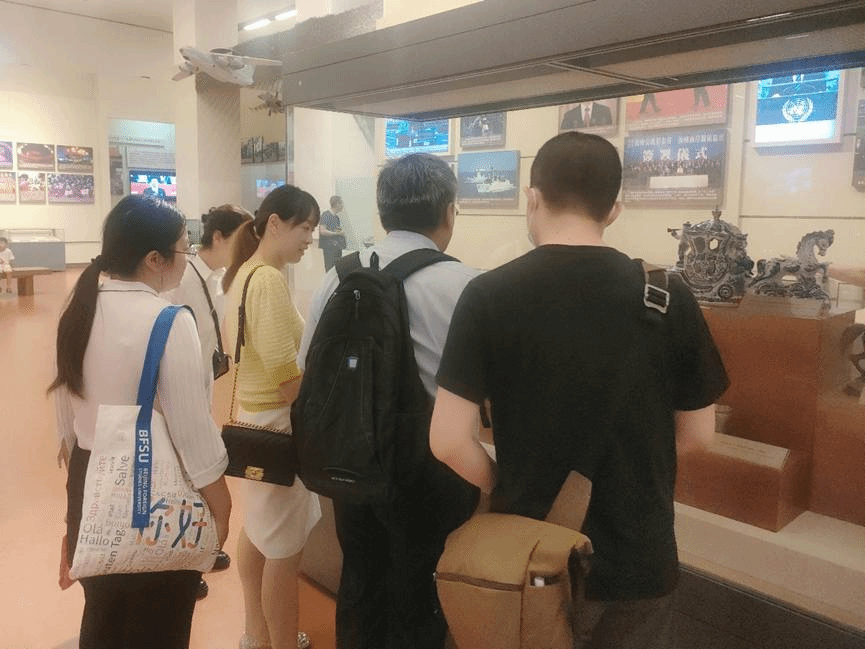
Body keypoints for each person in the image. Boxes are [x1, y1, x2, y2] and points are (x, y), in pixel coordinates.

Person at [430, 132, 730, 649]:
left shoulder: (488, 294)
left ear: (533, 198)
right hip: (639, 554)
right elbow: (699, 435)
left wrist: (505, 484)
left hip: (529, 552)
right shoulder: (666, 295)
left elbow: (447, 440)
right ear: (613, 209)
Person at [297, 153, 481, 649]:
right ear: (448, 212)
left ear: (382, 213)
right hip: (428, 467)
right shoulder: (466, 285)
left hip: (350, 459)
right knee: (419, 590)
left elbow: (307, 366)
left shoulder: (338, 277)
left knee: (358, 578)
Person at [50, 194, 232, 649]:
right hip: (153, 488)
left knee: (103, 615)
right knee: (160, 621)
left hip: (89, 480)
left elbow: (66, 425)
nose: (187, 257)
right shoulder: (168, 320)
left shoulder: (77, 311)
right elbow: (192, 432)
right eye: (183, 248)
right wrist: (221, 503)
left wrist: (77, 505)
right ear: (154, 259)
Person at [222, 185, 323, 649]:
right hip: (278, 425)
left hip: (254, 421)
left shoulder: (245, 273)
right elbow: (287, 375)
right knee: (283, 551)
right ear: (276, 224)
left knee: (260, 534)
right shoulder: (266, 280)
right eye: (305, 227)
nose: (310, 238)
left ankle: (255, 634)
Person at [164, 204, 254, 599]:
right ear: (218, 237)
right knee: (185, 475)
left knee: (196, 474)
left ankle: (199, 548)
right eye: (242, 238)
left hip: (200, 387)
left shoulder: (216, 278)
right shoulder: (183, 278)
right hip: (178, 396)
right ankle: (184, 564)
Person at [318, 195, 347, 272]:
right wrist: (337, 234)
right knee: (330, 271)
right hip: (329, 249)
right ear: (337, 204)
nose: (342, 206)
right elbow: (322, 231)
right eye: (341, 203)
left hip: (337, 248)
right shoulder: (326, 215)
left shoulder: (337, 218)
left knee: (337, 271)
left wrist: (341, 233)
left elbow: (337, 230)